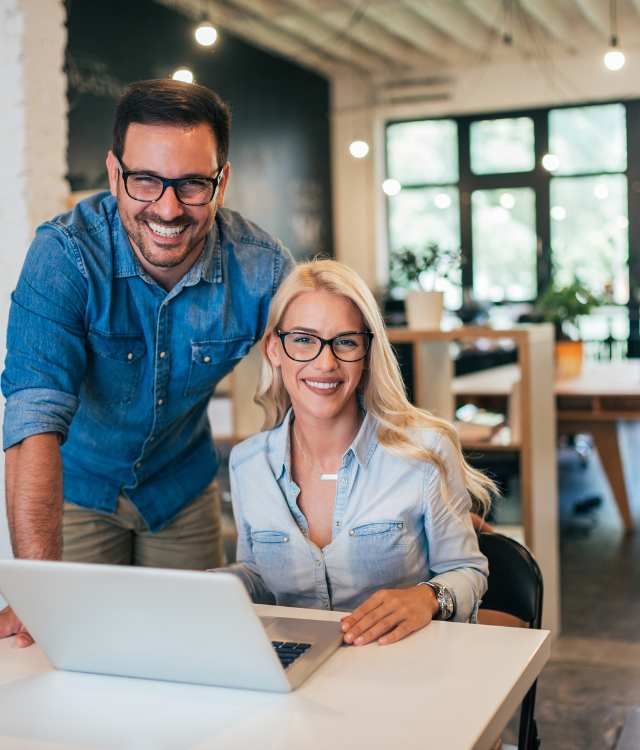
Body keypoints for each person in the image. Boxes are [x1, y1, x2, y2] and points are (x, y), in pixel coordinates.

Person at [0, 79, 294, 646]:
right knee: (71, 656)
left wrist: (414, 483)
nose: (167, 207)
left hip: (181, 490)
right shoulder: (64, 256)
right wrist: (40, 588)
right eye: (145, 181)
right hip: (78, 493)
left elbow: (324, 376)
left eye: (191, 185)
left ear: (221, 182)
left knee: (195, 659)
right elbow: (32, 421)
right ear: (115, 175)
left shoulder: (259, 268)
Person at [226, 259, 495, 646]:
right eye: (303, 339)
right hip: (295, 674)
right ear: (274, 349)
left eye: (345, 342)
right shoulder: (248, 463)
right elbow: (258, 577)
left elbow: (468, 570)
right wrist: (214, 585)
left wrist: (426, 598)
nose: (325, 362)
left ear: (368, 352)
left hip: (401, 672)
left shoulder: (425, 452)